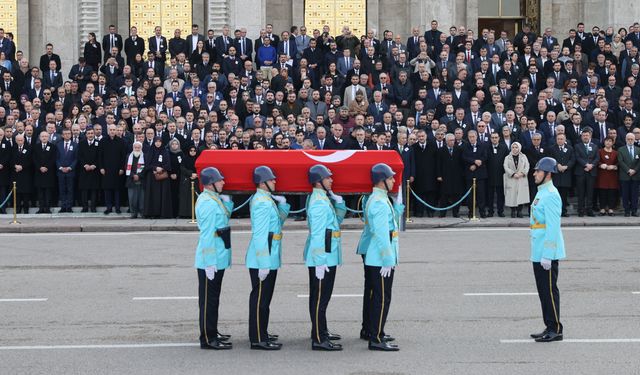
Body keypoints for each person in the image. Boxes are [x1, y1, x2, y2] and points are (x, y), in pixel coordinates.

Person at [357, 163, 404, 351]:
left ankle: (375, 331)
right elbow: (382, 234)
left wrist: (397, 208)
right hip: (379, 258)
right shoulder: (378, 202)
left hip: (377, 256)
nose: (394, 180)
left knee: (378, 295)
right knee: (382, 297)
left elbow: (389, 223)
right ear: (381, 181)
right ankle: (376, 338)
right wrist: (387, 259)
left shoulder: (380, 198)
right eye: (391, 177)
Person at [246, 166, 290, 350]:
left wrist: (283, 205)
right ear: (262, 183)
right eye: (272, 180)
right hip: (262, 259)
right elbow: (260, 235)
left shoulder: (266, 199)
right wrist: (264, 263)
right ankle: (257, 338)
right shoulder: (262, 203)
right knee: (260, 300)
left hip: (269, 256)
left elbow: (277, 223)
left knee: (265, 299)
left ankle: (261, 331)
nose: (275, 182)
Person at [304, 165, 346, 351]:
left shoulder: (324, 199)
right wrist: (320, 261)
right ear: (318, 181)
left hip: (328, 255)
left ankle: (321, 330)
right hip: (323, 258)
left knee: (321, 298)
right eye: (328, 178)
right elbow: (318, 235)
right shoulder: (319, 203)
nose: (332, 180)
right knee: (320, 299)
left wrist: (340, 203)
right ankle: (319, 339)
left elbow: (336, 222)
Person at [194, 167, 234, 350]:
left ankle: (212, 330)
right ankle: (208, 338)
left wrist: (227, 201)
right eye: (220, 180)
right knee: (208, 300)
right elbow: (208, 234)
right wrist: (210, 262)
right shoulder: (208, 203)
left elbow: (224, 217)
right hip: (210, 259)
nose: (223, 182)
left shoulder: (213, 198)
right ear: (211, 183)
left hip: (218, 256)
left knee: (213, 298)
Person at [529, 156, 566, 342]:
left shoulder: (551, 194)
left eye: (538, 171)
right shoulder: (541, 191)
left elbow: (553, 227)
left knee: (550, 290)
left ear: (548, 174)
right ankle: (548, 325)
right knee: (543, 291)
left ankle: (556, 329)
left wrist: (548, 255)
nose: (534, 173)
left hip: (546, 252)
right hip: (538, 249)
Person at [143, 137, 173, 218]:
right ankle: (152, 213)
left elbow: (168, 164)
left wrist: (161, 169)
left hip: (163, 177)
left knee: (162, 195)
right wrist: (155, 168)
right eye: (156, 141)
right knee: (153, 195)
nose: (158, 143)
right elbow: (147, 165)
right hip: (152, 178)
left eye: (159, 141)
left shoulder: (165, 151)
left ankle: (162, 213)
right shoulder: (150, 151)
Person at [574, 127, 599, 217]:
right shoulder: (577, 146)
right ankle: (580, 210)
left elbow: (597, 158)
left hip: (591, 172)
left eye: (587, 135)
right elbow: (577, 157)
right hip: (581, 172)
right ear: (581, 137)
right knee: (581, 192)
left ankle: (589, 210)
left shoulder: (595, 146)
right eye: (584, 135)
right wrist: (586, 165)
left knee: (590, 192)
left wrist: (591, 165)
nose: (585, 137)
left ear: (590, 136)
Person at [503, 142, 530, 217]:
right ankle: (513, 211)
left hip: (521, 178)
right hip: (512, 179)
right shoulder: (507, 157)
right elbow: (505, 167)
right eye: (513, 147)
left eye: (516, 147)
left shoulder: (524, 156)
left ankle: (519, 211)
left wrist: (522, 173)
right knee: (512, 196)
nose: (514, 149)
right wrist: (513, 174)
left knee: (521, 196)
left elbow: (527, 166)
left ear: (519, 148)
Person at [33, 131, 56, 214]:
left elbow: (53, 159)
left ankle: (47, 208)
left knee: (48, 192)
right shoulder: (36, 147)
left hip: (49, 173)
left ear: (48, 137)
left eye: (46, 136)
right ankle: (41, 208)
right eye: (42, 136)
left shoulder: (53, 147)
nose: (44, 138)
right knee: (40, 193)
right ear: (40, 137)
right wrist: (40, 167)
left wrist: (46, 167)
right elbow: (34, 159)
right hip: (39, 173)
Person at [618, 133, 640, 217]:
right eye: (628, 139)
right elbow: (620, 161)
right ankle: (626, 210)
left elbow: (639, 162)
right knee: (625, 194)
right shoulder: (621, 149)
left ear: (634, 140)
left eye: (632, 139)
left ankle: (634, 210)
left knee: (635, 194)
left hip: (636, 175)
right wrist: (628, 170)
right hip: (625, 175)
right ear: (625, 140)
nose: (630, 141)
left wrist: (634, 170)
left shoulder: (638, 149)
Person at [56, 129, 78, 213]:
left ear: (71, 135)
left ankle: (69, 206)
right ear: (62, 135)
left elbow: (76, 159)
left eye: (69, 134)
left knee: (70, 189)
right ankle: (63, 206)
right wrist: (61, 168)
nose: (67, 135)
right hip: (60, 171)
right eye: (65, 134)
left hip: (71, 171)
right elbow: (56, 158)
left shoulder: (75, 145)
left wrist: (70, 167)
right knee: (62, 189)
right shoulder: (58, 145)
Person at [595, 137, 619, 215]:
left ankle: (610, 208)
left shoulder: (616, 153)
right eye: (606, 141)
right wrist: (601, 165)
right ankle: (602, 208)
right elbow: (596, 161)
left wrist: (614, 166)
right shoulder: (599, 151)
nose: (608, 143)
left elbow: (618, 162)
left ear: (612, 143)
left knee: (611, 192)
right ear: (604, 142)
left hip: (612, 175)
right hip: (602, 175)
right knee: (602, 192)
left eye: (610, 141)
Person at [178, 145, 200, 218]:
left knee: (195, 197)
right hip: (187, 180)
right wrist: (190, 174)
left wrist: (196, 174)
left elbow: (200, 167)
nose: (193, 152)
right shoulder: (185, 158)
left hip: (196, 180)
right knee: (186, 198)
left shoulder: (198, 159)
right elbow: (182, 167)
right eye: (191, 150)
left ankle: (195, 214)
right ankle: (185, 214)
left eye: (194, 151)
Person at [125, 141, 145, 218]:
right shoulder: (128, 156)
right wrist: (133, 175)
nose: (137, 149)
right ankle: (133, 213)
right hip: (131, 180)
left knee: (142, 198)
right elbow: (126, 167)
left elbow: (145, 168)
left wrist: (139, 175)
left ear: (141, 148)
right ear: (133, 148)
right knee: (132, 197)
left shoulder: (144, 156)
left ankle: (142, 213)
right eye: (135, 147)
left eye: (138, 147)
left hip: (141, 179)